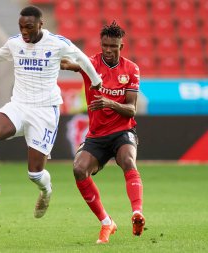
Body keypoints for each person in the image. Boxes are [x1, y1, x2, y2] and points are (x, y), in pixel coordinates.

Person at [0, 5, 102, 218]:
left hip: (44, 112)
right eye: (21, 27)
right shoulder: (15, 43)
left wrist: (96, 80)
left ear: (41, 24)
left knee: (35, 174)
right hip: (18, 106)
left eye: (29, 27)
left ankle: (46, 191)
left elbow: (82, 58)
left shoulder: (57, 43)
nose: (25, 32)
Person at [60, 21, 145, 243]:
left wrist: (109, 103)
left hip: (122, 131)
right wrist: (51, 59)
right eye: (105, 45)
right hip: (97, 135)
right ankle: (107, 222)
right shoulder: (91, 64)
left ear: (121, 47)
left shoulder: (131, 69)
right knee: (79, 169)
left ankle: (137, 212)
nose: (108, 50)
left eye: (113, 47)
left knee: (127, 160)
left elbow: (131, 109)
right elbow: (69, 64)